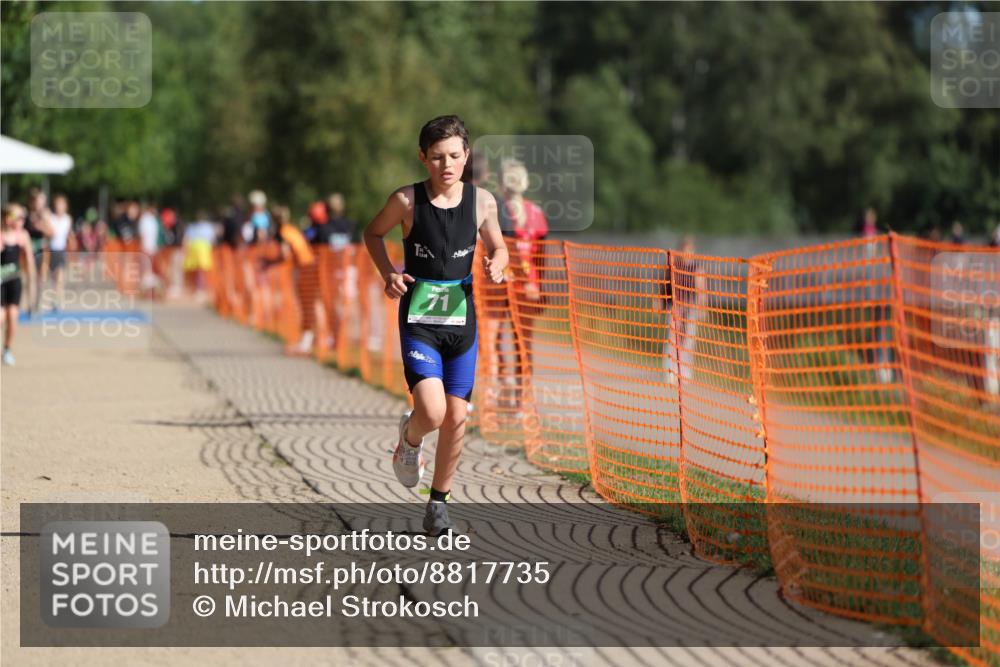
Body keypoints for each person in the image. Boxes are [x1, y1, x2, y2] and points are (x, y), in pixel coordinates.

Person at [363, 115, 508, 535]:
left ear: (467, 155)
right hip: (420, 318)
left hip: (462, 321)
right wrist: (389, 273)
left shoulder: (482, 202)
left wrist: (498, 263)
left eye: (456, 156)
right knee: (433, 410)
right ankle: (409, 440)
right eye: (438, 157)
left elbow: (499, 246)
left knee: (458, 416)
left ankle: (438, 504)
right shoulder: (406, 201)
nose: (447, 165)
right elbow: (372, 234)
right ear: (423, 158)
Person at [1, 204, 38, 365]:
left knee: (12, 318)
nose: (22, 220)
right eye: (18, 217)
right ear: (8, 219)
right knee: (1, 317)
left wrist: (32, 283)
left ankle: (7, 349)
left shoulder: (23, 236)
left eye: (23, 217)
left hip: (14, 281)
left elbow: (29, 261)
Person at [24, 188, 52, 314]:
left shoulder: (45, 216)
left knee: (41, 278)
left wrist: (42, 225)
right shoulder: (25, 216)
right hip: (29, 251)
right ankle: (30, 305)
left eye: (40, 201)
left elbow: (52, 233)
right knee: (30, 278)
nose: (37, 204)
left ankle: (37, 304)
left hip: (42, 250)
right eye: (35, 201)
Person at [47, 194, 73, 311]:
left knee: (60, 276)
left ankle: (57, 300)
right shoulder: (50, 218)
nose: (59, 207)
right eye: (57, 204)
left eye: (61, 204)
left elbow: (68, 235)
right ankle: (55, 297)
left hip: (61, 250)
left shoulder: (68, 219)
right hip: (51, 250)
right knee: (53, 277)